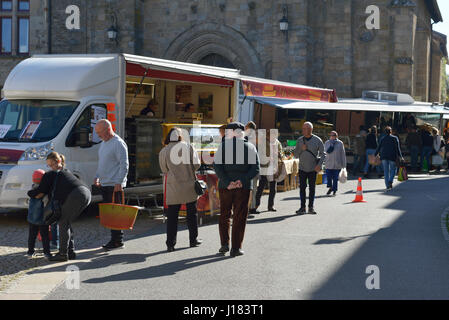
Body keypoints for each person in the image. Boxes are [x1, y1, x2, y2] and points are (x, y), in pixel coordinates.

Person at [28, 152, 91, 261]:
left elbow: (40, 192)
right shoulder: (66, 172)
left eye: (51, 164)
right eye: (49, 165)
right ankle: (70, 252)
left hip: (76, 195)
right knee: (67, 222)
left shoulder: (50, 174)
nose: (50, 167)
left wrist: (29, 193)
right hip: (86, 193)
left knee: (63, 222)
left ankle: (62, 254)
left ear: (58, 162)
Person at [214, 122, 260, 257]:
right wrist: (242, 180)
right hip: (243, 187)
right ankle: (236, 248)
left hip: (225, 187)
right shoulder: (250, 147)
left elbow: (217, 167)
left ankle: (224, 244)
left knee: (224, 214)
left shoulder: (222, 146)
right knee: (239, 217)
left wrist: (228, 182)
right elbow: (255, 168)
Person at [159, 127, 202, 252]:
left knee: (172, 216)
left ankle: (170, 244)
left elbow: (164, 170)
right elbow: (197, 165)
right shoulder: (188, 147)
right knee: (191, 214)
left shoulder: (164, 151)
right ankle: (193, 240)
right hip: (189, 185)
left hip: (173, 186)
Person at [94, 119, 129, 251]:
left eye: (100, 132)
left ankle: (118, 240)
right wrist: (97, 176)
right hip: (105, 182)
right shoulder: (104, 143)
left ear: (108, 130)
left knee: (116, 214)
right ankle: (114, 239)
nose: (98, 135)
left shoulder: (118, 143)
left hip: (114, 184)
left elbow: (124, 164)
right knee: (110, 214)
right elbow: (102, 162)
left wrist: (119, 181)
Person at [293, 122, 325, 215]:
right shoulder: (299, 140)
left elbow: (323, 154)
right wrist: (300, 149)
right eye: (303, 128)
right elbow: (295, 154)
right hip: (302, 168)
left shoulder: (317, 140)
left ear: (311, 129)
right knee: (302, 188)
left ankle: (311, 207)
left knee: (312, 188)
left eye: (306, 128)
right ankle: (302, 207)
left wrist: (319, 165)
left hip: (313, 168)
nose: (304, 130)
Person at [254, 129, 283, 212]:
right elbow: (259, 155)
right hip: (265, 167)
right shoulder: (263, 143)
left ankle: (271, 206)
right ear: (268, 135)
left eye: (275, 135)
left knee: (273, 188)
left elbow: (281, 152)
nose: (273, 137)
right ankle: (256, 205)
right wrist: (267, 158)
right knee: (261, 187)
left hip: (274, 167)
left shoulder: (277, 143)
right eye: (272, 135)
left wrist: (279, 154)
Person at [27, 169, 51, 259]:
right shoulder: (44, 192)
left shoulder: (32, 189)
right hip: (42, 218)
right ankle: (47, 253)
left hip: (32, 218)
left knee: (32, 236)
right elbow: (46, 203)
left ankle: (30, 252)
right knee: (45, 236)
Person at [324, 131, 347, 196]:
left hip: (337, 164)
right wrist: (331, 145)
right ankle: (330, 187)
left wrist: (344, 165)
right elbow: (326, 151)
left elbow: (343, 154)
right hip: (329, 163)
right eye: (331, 135)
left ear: (336, 136)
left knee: (335, 178)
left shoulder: (340, 143)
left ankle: (334, 190)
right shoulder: (327, 143)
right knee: (328, 177)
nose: (332, 136)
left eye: (333, 135)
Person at [244, 121, 259, 215]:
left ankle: (249, 207)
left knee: (249, 188)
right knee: (253, 188)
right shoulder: (255, 137)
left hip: (248, 166)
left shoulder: (245, 137)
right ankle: (252, 207)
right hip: (253, 165)